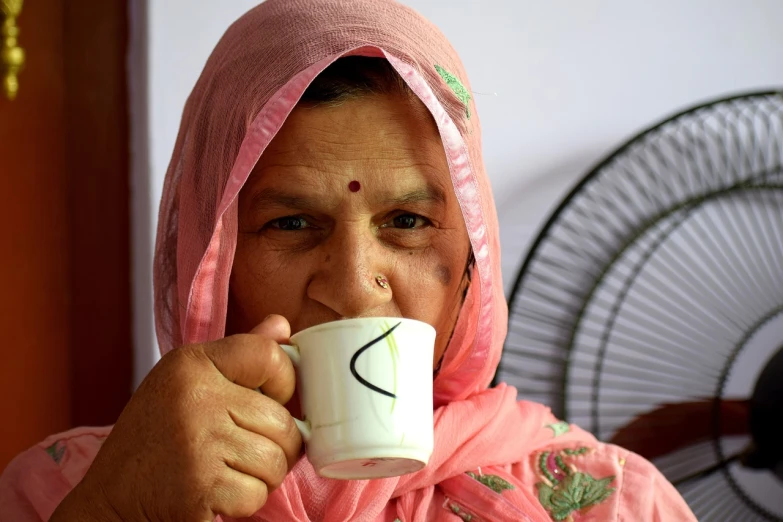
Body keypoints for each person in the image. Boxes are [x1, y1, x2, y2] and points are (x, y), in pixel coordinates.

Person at [0, 1, 698, 520]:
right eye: (291, 222)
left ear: (470, 269)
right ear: (208, 264)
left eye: (406, 222)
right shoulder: (65, 491)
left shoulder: (611, 502)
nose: (355, 290)